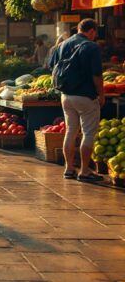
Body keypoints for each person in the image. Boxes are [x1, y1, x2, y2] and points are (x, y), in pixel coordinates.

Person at [49, 19, 104, 182]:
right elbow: (96, 75)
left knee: (71, 131)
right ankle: (85, 171)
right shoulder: (92, 47)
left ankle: (69, 168)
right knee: (88, 133)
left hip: (65, 95)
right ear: (92, 31)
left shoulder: (63, 44)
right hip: (85, 96)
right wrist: (101, 94)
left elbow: (52, 66)